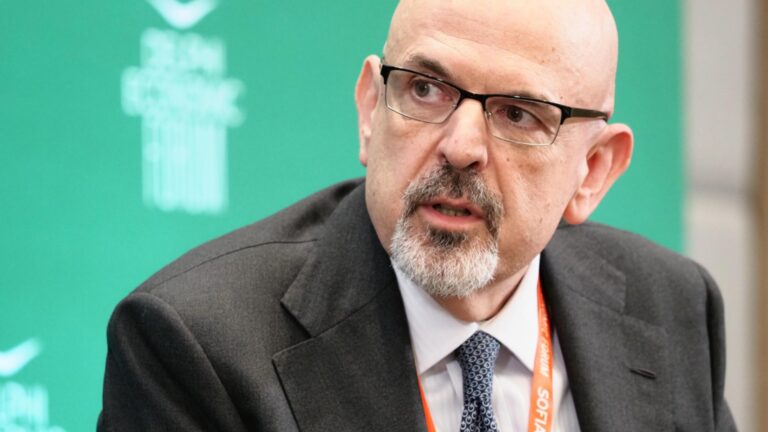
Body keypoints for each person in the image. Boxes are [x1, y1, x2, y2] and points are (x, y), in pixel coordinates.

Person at [98, 0, 737, 430]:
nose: (460, 147)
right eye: (426, 90)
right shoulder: (197, 345)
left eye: (518, 113)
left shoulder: (671, 306)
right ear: (370, 110)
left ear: (592, 170)